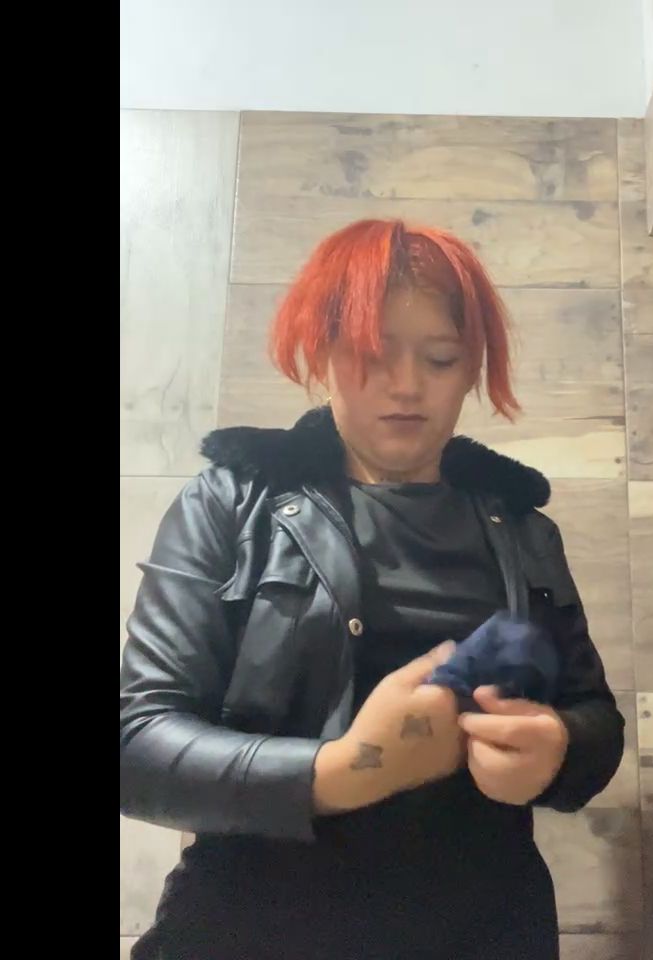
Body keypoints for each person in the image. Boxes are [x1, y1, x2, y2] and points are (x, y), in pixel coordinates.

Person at [120, 218, 625, 960]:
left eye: (441, 358)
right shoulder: (233, 500)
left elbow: (594, 717)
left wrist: (556, 751)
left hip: (485, 930)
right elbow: (137, 745)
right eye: (370, 352)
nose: (407, 385)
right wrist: (346, 769)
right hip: (250, 928)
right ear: (321, 352)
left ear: (471, 367)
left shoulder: (521, 527)